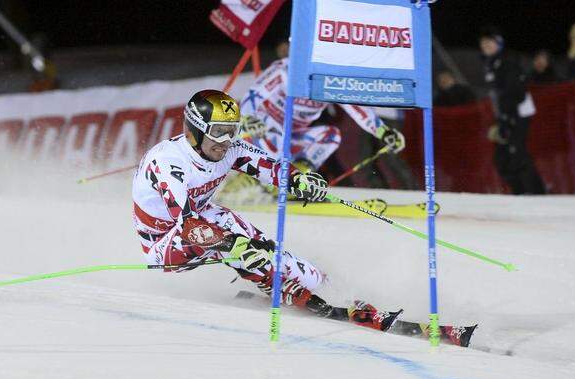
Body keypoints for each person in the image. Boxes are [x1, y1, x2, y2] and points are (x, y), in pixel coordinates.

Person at [132, 89, 402, 331]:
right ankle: (276, 284)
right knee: (237, 238)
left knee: (266, 246)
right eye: (218, 131)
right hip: (164, 245)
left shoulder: (230, 149)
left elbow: (270, 167)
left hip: (204, 221)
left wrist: (299, 180)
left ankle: (335, 291)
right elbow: (188, 225)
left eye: (232, 130)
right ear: (196, 130)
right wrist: (233, 245)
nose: (225, 141)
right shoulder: (169, 162)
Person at [238, 58, 406, 174]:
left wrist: (383, 132)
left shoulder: (330, 82)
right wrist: (248, 117)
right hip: (262, 130)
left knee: (331, 136)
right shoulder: (285, 70)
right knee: (276, 135)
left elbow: (358, 110)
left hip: (293, 135)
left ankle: (298, 177)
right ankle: (269, 177)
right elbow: (253, 95)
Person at [479, 27, 546, 195]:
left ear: (499, 43)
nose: (485, 46)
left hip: (518, 113)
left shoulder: (507, 60)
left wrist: (507, 117)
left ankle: (534, 193)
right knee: (502, 156)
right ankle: (519, 192)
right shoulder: (490, 64)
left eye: (489, 42)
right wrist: (500, 118)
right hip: (504, 114)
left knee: (517, 152)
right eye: (483, 43)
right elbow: (496, 96)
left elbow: (516, 91)